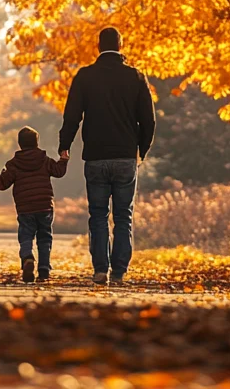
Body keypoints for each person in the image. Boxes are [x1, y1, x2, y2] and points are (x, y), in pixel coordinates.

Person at [59, 26, 156, 285]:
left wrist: (64, 144)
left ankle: (100, 269)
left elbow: (72, 115)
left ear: (98, 47)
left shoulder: (85, 76)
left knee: (98, 215)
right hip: (125, 157)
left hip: (96, 157)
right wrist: (141, 150)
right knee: (124, 216)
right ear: (121, 46)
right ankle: (119, 272)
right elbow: (149, 120)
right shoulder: (135, 77)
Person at [0, 126, 69, 283]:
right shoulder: (45, 160)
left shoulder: (13, 164)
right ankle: (44, 268)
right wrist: (63, 160)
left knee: (26, 234)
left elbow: (3, 183)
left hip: (25, 207)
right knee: (45, 237)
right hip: (44, 204)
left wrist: (2, 174)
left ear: (20, 144)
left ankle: (27, 257)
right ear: (37, 142)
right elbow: (58, 172)